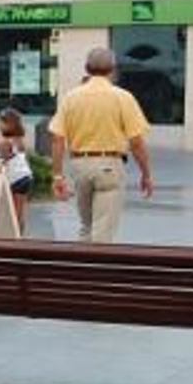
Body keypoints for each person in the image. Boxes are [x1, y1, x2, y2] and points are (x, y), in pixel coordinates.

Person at [49, 47, 154, 242]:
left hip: (79, 166)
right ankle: (95, 269)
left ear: (86, 68)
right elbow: (136, 142)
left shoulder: (71, 98)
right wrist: (146, 174)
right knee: (103, 231)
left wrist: (57, 175)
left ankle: (82, 268)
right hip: (110, 166)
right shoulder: (123, 97)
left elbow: (57, 138)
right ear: (113, 69)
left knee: (86, 227)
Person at [0, 109, 33, 235]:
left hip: (14, 178)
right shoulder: (20, 139)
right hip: (25, 176)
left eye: (1, 122)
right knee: (19, 213)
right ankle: (19, 239)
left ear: (9, 123)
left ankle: (13, 239)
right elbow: (24, 157)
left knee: (12, 214)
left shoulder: (4, 141)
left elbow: (2, 159)